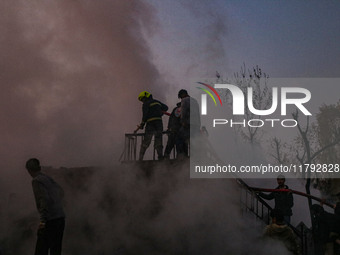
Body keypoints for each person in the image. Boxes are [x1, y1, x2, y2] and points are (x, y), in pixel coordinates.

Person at [25, 158, 65, 255]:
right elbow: (61, 191)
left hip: (50, 221)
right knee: (55, 251)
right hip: (60, 218)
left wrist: (42, 222)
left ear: (29, 170)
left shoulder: (36, 181)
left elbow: (43, 200)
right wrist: (56, 204)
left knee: (41, 251)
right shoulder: (47, 178)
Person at [137, 91, 168, 160]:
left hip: (150, 124)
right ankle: (160, 157)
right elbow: (166, 107)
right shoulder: (157, 102)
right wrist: (160, 112)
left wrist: (142, 125)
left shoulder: (146, 104)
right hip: (159, 123)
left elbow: (144, 115)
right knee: (158, 139)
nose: (142, 101)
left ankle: (140, 158)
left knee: (146, 141)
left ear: (145, 97)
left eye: (142, 99)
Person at [177, 89, 201, 157]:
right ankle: (195, 156)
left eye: (181, 97)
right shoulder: (195, 101)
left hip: (188, 124)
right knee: (194, 140)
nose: (181, 99)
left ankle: (182, 155)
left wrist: (182, 121)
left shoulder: (185, 100)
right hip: (196, 124)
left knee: (179, 137)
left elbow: (183, 112)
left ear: (182, 95)